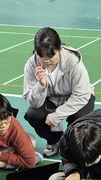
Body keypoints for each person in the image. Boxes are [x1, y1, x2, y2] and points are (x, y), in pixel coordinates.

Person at [23, 27, 95, 156]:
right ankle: (54, 140)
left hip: (77, 97)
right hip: (50, 98)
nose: (46, 61)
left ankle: (71, 143)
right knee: (33, 115)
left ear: (59, 49)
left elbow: (81, 95)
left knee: (80, 119)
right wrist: (41, 86)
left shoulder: (73, 62)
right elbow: (33, 103)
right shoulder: (31, 65)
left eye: (51, 56)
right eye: (42, 57)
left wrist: (56, 116)